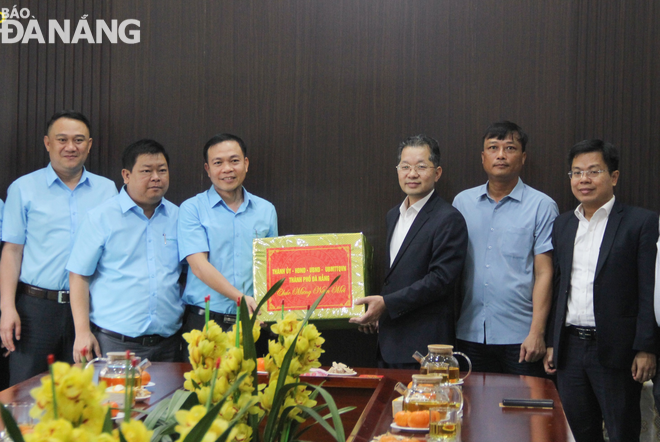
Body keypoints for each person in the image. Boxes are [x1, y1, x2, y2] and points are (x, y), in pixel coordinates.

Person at [544, 140, 658, 442]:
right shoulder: (563, 224)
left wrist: (646, 347)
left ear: (614, 176)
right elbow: (559, 286)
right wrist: (552, 342)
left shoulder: (641, 223)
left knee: (622, 432)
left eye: (594, 171)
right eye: (577, 172)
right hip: (570, 349)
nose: (584, 179)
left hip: (616, 350)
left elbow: (650, 290)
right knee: (578, 433)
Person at [0, 110, 116, 385]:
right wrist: (6, 307)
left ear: (89, 144)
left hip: (91, 310)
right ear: (47, 143)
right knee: (26, 396)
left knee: (84, 396)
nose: (70, 147)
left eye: (78, 140)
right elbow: (12, 251)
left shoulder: (108, 190)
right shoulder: (23, 188)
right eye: (62, 139)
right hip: (35, 310)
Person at [350, 134, 468, 368]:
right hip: (388, 342)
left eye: (421, 167)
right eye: (405, 167)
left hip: (424, 348)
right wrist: (375, 310)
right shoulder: (393, 215)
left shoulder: (449, 219)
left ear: (437, 173)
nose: (411, 174)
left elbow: (441, 280)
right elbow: (395, 277)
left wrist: (386, 304)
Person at [452, 121, 558, 377]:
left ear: (522, 158)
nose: (501, 155)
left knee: (523, 414)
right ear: (483, 157)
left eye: (509, 148)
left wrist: (537, 333)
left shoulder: (542, 206)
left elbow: (545, 273)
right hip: (469, 333)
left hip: (521, 337)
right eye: (493, 148)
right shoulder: (462, 203)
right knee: (472, 412)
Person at [67, 139, 183, 362]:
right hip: (115, 343)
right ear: (126, 175)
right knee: (116, 398)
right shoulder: (101, 217)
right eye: (147, 171)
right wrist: (82, 332)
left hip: (169, 344)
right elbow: (79, 275)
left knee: (169, 398)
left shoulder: (179, 217)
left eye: (162, 170)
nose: (156, 177)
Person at [178, 133, 277, 338]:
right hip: (204, 322)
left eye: (234, 161)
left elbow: (272, 267)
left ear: (246, 163)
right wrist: (241, 298)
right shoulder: (192, 208)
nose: (227, 169)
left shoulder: (266, 210)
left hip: (251, 321)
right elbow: (198, 266)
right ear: (208, 169)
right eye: (218, 162)